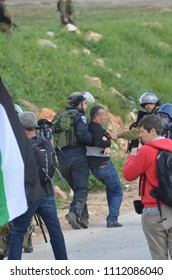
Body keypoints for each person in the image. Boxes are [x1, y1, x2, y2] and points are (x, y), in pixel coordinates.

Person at [8, 111, 68, 260]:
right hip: (47, 193)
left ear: (21, 128)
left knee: (17, 232)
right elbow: (53, 166)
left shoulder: (21, 147)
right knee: (55, 232)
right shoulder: (46, 143)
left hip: (28, 196)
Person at [123, 114, 172, 260]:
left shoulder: (146, 150)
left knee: (159, 259)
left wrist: (132, 156)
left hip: (154, 210)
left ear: (153, 131)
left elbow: (129, 174)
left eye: (143, 132)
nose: (141, 136)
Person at [52, 92, 94, 230]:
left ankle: (83, 219)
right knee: (81, 187)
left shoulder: (61, 116)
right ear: (79, 104)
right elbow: (84, 136)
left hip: (62, 157)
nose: (86, 106)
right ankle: (73, 213)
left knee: (77, 188)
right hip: (77, 155)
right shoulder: (79, 116)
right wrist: (97, 138)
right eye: (85, 103)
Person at [86, 105, 123, 228]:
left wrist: (106, 139)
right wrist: (107, 142)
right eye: (103, 115)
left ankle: (112, 217)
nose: (105, 117)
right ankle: (112, 219)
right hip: (103, 165)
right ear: (97, 117)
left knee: (110, 188)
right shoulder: (96, 128)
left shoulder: (90, 127)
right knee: (117, 191)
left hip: (95, 167)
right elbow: (98, 141)